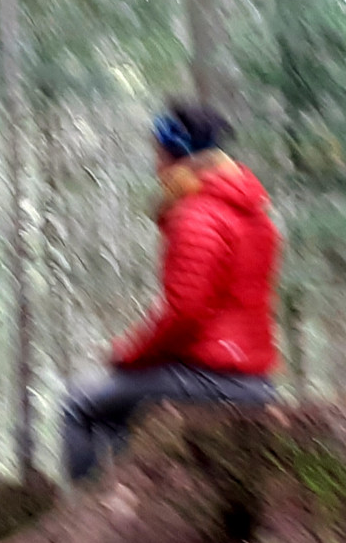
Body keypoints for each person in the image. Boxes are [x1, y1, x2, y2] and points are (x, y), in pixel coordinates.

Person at [61, 100, 280, 482]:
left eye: (158, 154)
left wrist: (128, 355)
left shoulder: (196, 214)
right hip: (254, 378)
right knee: (117, 416)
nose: (156, 166)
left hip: (215, 377)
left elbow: (185, 314)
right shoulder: (253, 215)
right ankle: (123, 500)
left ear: (175, 155)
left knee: (78, 404)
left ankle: (86, 512)